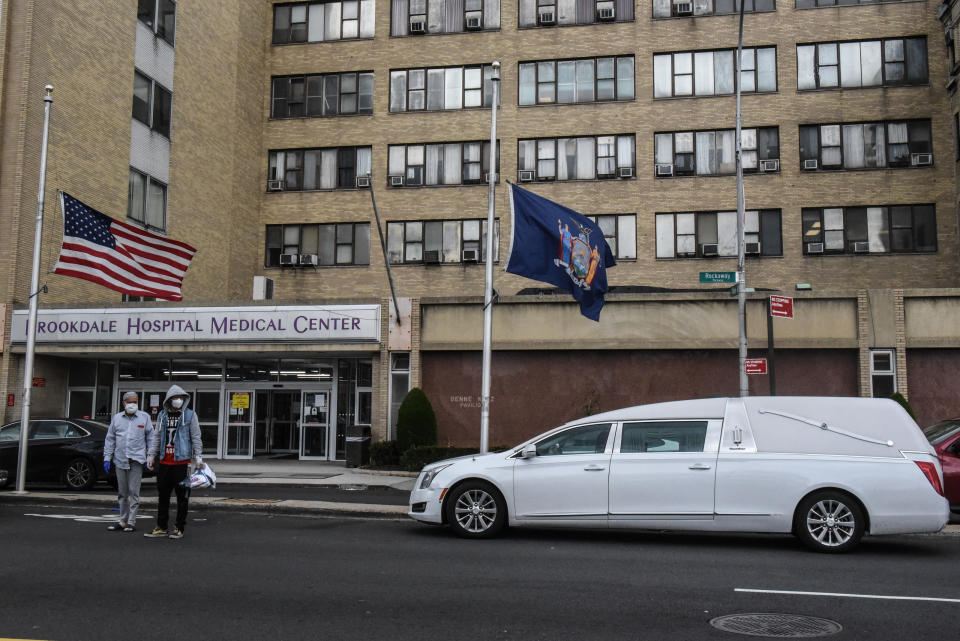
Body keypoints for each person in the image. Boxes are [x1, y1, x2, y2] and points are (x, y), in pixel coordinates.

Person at [145, 385, 203, 540]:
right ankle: (161, 527)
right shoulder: (163, 416)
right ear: (169, 400)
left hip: (181, 463)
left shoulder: (190, 415)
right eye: (175, 398)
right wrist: (151, 455)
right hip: (164, 463)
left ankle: (179, 527)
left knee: (182, 498)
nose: (178, 400)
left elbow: (196, 436)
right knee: (163, 496)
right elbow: (157, 437)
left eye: (181, 398)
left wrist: (198, 457)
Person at [104, 391, 154, 532]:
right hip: (120, 460)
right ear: (124, 403)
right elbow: (110, 439)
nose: (133, 404)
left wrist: (150, 456)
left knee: (134, 492)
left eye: (135, 402)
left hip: (136, 460)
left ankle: (131, 521)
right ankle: (122, 521)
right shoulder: (117, 418)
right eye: (130, 402)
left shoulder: (144, 418)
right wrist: (107, 458)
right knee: (122, 493)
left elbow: (151, 437)